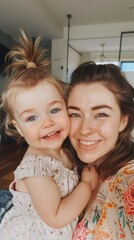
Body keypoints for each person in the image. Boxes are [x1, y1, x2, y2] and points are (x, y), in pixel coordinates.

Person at [0, 32, 98, 240]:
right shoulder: (36, 167)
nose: (47, 122)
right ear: (18, 128)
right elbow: (55, 217)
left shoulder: (64, 149)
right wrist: (86, 185)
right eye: (31, 118)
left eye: (54, 110)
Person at [67, 62, 134, 240]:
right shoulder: (70, 169)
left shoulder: (128, 179)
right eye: (74, 114)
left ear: (123, 121)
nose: (84, 129)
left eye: (101, 114)